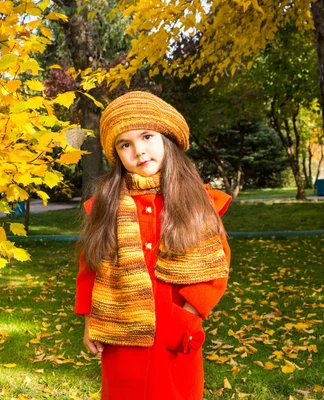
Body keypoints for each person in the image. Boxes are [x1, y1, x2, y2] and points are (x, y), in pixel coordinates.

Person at [75, 91, 232, 399]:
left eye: (147, 136)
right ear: (116, 153)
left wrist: (188, 314)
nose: (139, 151)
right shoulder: (107, 205)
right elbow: (90, 264)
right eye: (126, 144)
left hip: (175, 331)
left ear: (167, 139)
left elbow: (216, 264)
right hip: (122, 331)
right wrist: (91, 319)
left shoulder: (197, 202)